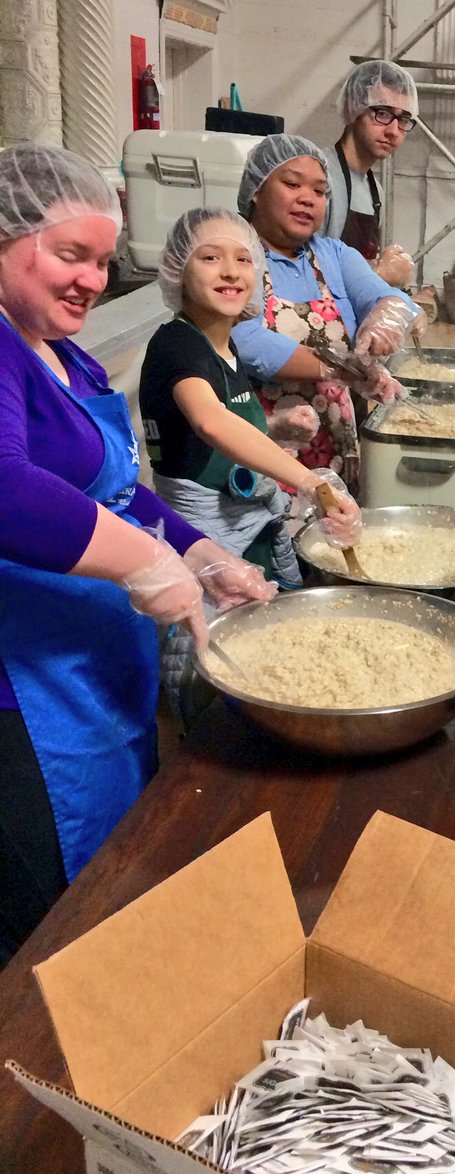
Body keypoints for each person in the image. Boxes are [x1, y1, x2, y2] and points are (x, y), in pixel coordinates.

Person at [0, 144, 275, 966]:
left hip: (103, 680)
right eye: (69, 255)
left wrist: (201, 555)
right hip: (29, 700)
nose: (91, 279)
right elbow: (7, 488)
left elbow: (119, 491)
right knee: (45, 931)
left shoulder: (66, 353)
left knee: (112, 890)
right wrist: (140, 563)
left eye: (102, 261)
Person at [141, 206, 361, 587]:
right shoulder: (177, 345)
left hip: (245, 533)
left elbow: (206, 430)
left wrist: (272, 428)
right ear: (179, 269)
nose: (231, 271)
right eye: (211, 257)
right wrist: (310, 482)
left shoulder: (225, 348)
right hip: (205, 543)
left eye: (243, 259)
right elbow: (210, 422)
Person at [230, 134, 418, 494]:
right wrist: (340, 368)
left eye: (319, 191)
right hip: (263, 446)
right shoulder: (236, 255)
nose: (308, 198)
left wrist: (385, 322)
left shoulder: (333, 255)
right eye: (292, 184)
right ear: (256, 190)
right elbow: (245, 342)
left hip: (334, 448)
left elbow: (393, 298)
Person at [323, 59, 418, 288]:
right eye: (383, 114)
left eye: (403, 119)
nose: (393, 131)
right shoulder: (319, 176)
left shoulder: (375, 191)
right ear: (354, 108)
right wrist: (378, 274)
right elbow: (303, 268)